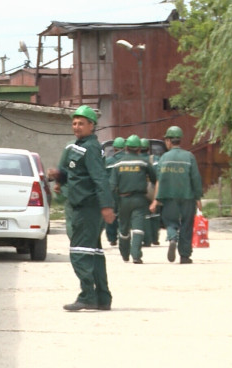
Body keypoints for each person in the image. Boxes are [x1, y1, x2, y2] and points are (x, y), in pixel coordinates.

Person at [47, 105, 116, 311]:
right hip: (83, 206)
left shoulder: (91, 148)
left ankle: (87, 296)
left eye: (81, 123)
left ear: (91, 125)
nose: (76, 127)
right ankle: (102, 298)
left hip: (87, 208)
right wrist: (59, 175)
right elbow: (78, 176)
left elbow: (100, 178)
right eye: (74, 123)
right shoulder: (79, 147)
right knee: (93, 253)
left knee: (79, 252)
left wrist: (106, 206)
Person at [149, 126, 203, 264]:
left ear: (168, 141)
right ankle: (185, 255)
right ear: (180, 140)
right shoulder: (189, 156)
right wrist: (198, 197)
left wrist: (156, 200)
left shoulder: (163, 158)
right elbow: (195, 178)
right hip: (187, 196)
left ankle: (172, 237)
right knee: (186, 224)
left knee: (171, 221)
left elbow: (159, 180)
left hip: (169, 197)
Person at [109, 135, 158, 264]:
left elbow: (112, 186)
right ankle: (136, 255)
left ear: (126, 148)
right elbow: (155, 179)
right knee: (138, 228)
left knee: (123, 228)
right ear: (139, 149)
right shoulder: (144, 162)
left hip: (123, 199)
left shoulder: (118, 164)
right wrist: (155, 199)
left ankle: (125, 254)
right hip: (139, 199)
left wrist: (110, 203)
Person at [104, 137, 126, 246]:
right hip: (125, 191)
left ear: (114, 148)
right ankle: (124, 235)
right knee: (124, 215)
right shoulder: (127, 161)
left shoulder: (108, 161)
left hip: (111, 192)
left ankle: (112, 238)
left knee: (112, 214)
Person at [141, 137, 162, 246]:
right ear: (148, 149)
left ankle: (147, 239)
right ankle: (155, 238)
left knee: (145, 215)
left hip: (142, 189)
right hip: (154, 188)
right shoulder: (156, 159)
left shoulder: (137, 159)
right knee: (155, 213)